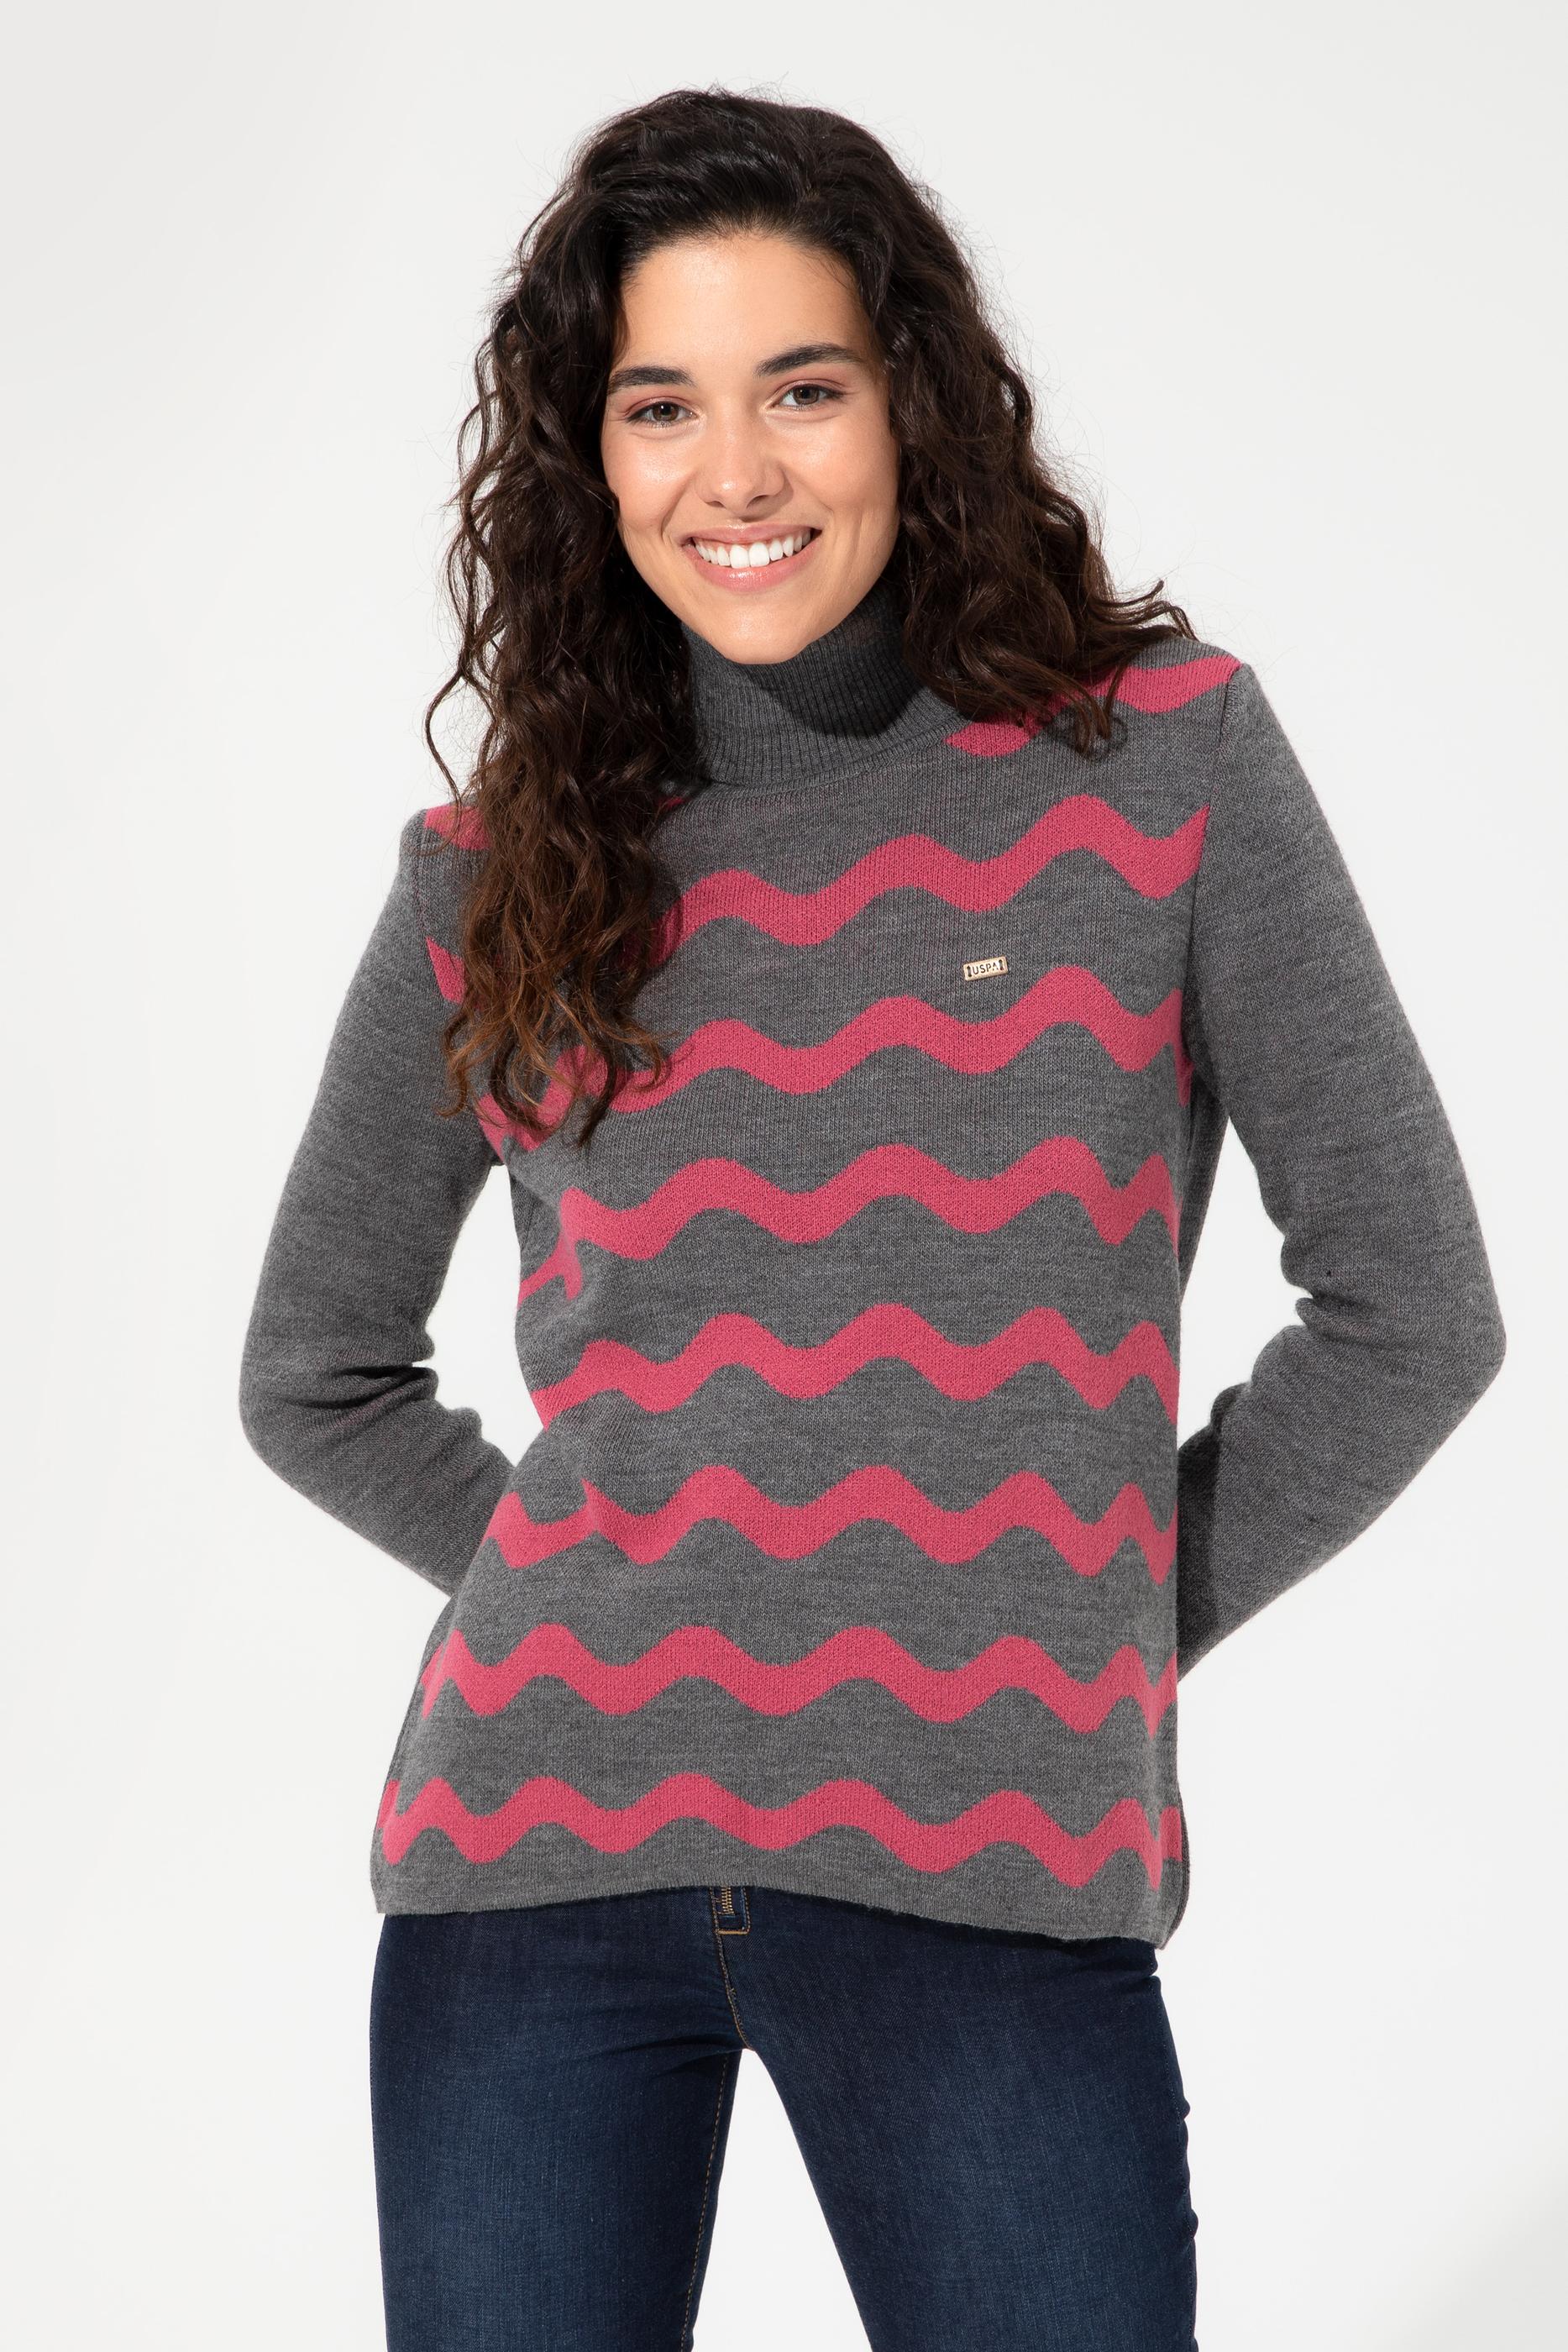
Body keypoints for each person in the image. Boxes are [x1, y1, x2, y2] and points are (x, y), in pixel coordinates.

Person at [237, 87, 1506, 2352]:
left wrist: (1079, 1610)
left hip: (990, 1873)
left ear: (911, 400)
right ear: (590, 454)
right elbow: (311, 1372)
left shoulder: (1165, 765)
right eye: (662, 404)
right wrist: (636, 1586)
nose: (735, 472)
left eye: (799, 388)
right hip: (533, 1873)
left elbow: (1412, 1309)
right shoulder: (498, 864)